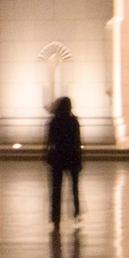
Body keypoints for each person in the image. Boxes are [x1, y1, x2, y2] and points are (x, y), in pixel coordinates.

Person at [43, 96, 83, 225]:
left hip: (58, 158)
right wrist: (80, 159)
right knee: (74, 188)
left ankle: (55, 217)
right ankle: (76, 211)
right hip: (72, 157)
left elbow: (49, 141)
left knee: (56, 189)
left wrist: (46, 154)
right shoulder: (73, 121)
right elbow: (77, 142)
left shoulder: (54, 122)